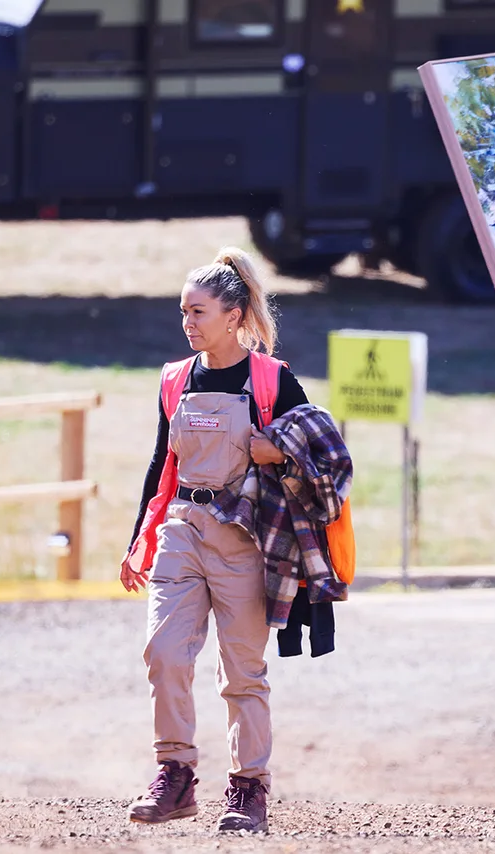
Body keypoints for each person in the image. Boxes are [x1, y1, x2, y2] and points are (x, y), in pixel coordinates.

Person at [119, 247, 312, 833]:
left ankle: (248, 788)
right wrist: (140, 541)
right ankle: (174, 774)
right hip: (181, 529)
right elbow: (161, 464)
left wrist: (275, 450)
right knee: (164, 653)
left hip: (245, 541)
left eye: (198, 312)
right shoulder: (175, 378)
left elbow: (322, 453)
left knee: (242, 672)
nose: (188, 323)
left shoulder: (273, 380)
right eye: (183, 312)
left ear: (233, 315)